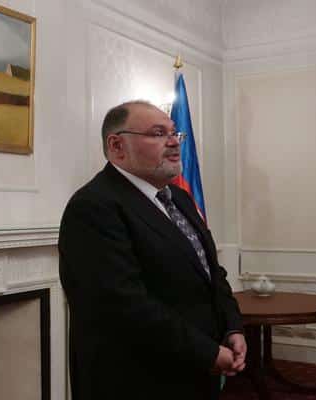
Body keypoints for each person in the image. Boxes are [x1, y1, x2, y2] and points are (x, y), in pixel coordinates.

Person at [58, 100, 246, 400]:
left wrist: (232, 327)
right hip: (137, 381)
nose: (174, 142)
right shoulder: (93, 206)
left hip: (195, 371)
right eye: (158, 133)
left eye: (174, 133)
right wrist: (207, 352)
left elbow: (210, 271)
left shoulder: (180, 198)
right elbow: (123, 305)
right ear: (117, 146)